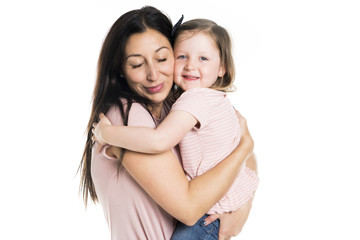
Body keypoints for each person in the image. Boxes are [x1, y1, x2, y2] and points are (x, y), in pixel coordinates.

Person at [79, 6, 257, 240]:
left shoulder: (177, 106)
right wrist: (244, 148)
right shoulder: (126, 116)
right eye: (136, 64)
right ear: (121, 70)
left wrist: (239, 210)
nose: (153, 74)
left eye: (162, 58)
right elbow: (190, 209)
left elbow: (245, 159)